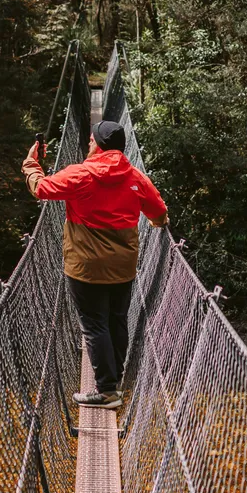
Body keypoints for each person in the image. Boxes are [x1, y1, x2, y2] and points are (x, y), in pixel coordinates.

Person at [22, 119, 168, 408]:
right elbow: (159, 212)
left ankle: (106, 392)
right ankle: (115, 380)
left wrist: (30, 164)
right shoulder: (136, 177)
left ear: (99, 145)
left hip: (85, 267)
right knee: (116, 320)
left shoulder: (79, 175)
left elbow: (41, 189)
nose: (89, 144)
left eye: (90, 141)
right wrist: (156, 222)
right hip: (123, 267)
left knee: (94, 325)